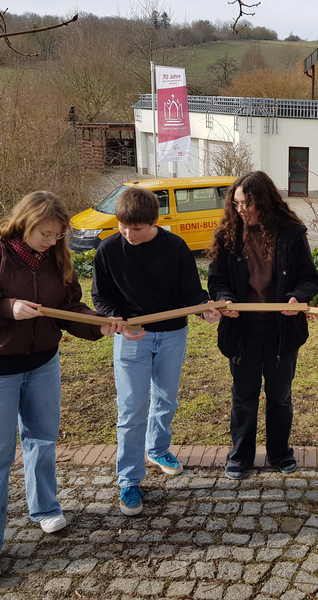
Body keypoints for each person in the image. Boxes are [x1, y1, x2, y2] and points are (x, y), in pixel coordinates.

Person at [0, 191, 126, 585]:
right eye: (45, 233)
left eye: (57, 235)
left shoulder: (56, 258)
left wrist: (99, 324)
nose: (51, 241)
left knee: (42, 439)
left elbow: (70, 307)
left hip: (43, 362)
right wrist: (4, 307)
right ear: (24, 222)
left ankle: (44, 508)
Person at [92, 186, 220, 517]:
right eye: (123, 226)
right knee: (131, 409)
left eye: (137, 228)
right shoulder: (107, 250)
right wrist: (115, 319)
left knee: (166, 398)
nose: (129, 234)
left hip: (172, 334)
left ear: (155, 221)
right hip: (132, 338)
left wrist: (203, 307)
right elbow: (101, 297)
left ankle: (158, 449)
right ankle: (129, 479)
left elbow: (190, 291)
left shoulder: (174, 247)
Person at [207, 171, 318, 480]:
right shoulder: (227, 235)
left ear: (265, 203)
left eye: (248, 204)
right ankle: (240, 456)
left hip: (281, 329)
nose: (241, 210)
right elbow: (215, 281)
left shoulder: (292, 234)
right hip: (241, 329)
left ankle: (279, 453)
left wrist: (297, 298)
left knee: (279, 395)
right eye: (237, 203)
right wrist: (225, 298)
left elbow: (309, 278)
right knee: (243, 395)